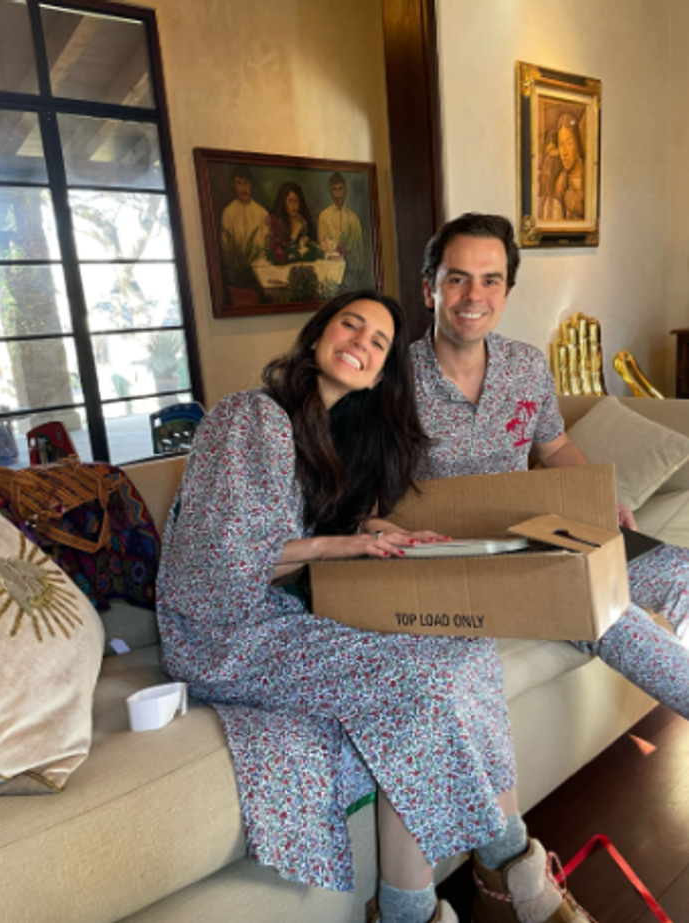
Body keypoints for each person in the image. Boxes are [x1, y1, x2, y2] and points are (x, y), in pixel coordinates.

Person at [156, 289, 585, 923]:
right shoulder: (251, 417)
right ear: (316, 336)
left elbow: (315, 532)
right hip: (222, 638)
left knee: (464, 647)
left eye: (378, 341)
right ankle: (493, 881)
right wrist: (345, 544)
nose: (361, 341)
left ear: (382, 371)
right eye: (349, 325)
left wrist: (385, 534)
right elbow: (223, 568)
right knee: (417, 688)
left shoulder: (330, 433)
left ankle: (454, 890)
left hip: (278, 621)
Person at [411, 213, 689, 911]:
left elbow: (556, 448)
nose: (473, 294)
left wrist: (599, 497)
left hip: (545, 529)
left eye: (490, 279)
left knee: (676, 570)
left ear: (506, 289)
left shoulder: (526, 365)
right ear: (429, 289)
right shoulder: (393, 379)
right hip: (462, 564)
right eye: (456, 279)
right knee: (606, 614)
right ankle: (508, 873)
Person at [318, 172, 366, 287]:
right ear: (330, 191)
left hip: (351, 272)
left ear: (345, 190)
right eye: (334, 190)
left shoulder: (353, 218)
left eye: (340, 189)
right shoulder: (324, 216)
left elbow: (359, 250)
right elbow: (322, 245)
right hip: (331, 272)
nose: (338, 194)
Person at [221, 165, 268, 255]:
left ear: (251, 184)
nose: (243, 188)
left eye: (246, 182)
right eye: (239, 183)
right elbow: (226, 246)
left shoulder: (262, 212)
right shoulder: (228, 212)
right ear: (233, 185)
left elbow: (267, 244)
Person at [552, 114, 585, 220]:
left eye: (569, 143)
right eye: (561, 144)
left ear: (577, 144)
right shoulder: (561, 181)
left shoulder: (590, 176)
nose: (564, 152)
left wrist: (581, 210)